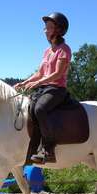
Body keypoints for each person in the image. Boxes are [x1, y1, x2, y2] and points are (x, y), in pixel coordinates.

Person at [14, 12, 72, 164]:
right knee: (30, 109)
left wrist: (38, 83)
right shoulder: (47, 51)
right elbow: (40, 73)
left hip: (57, 90)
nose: (45, 30)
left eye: (49, 27)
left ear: (58, 30)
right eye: (45, 27)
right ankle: (32, 150)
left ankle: (49, 150)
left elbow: (57, 73)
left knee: (40, 109)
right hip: (44, 89)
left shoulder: (64, 49)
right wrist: (25, 82)